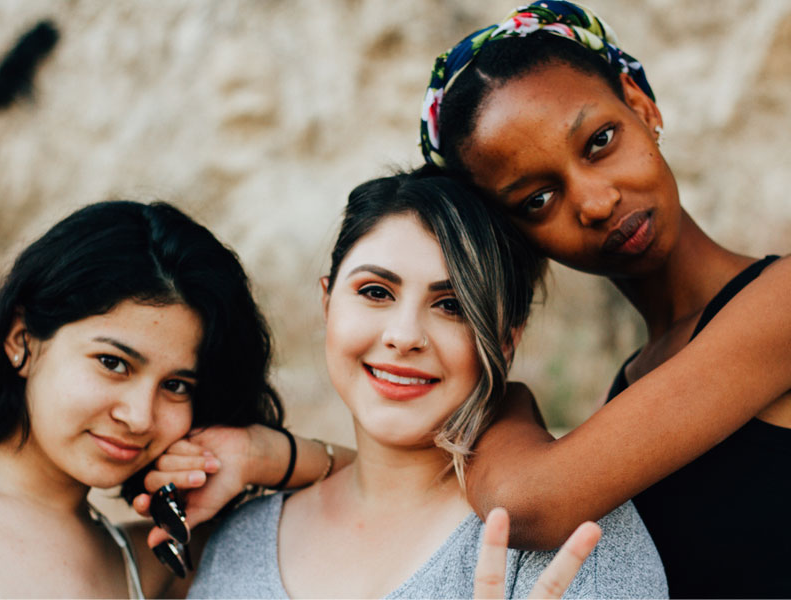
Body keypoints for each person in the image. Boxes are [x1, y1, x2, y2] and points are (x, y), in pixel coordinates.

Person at [418, 1, 791, 597]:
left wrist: (505, 396)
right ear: (519, 235)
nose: (594, 202)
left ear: (641, 106)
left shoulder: (782, 304)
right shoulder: (633, 382)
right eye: (537, 200)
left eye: (599, 141)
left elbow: (527, 503)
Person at [186, 169, 667, 598]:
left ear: (505, 340)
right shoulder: (241, 541)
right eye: (375, 292)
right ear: (328, 301)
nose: (403, 336)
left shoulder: (576, 538)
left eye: (451, 305)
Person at [0, 200, 292, 599]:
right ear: (21, 339)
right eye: (113, 363)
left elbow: (375, 506)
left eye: (177, 385)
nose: (140, 417)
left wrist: (259, 454)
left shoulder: (152, 564)